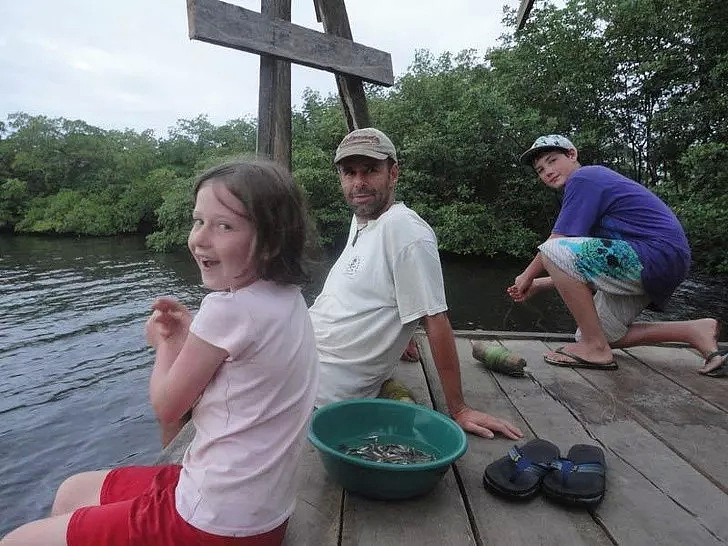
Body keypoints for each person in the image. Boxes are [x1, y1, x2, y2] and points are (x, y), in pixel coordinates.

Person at [1, 160, 319, 546]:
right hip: (261, 517)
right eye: (198, 220)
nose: (200, 239)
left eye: (224, 226)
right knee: (72, 492)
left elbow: (168, 407)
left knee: (18, 541)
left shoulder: (228, 310)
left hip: (211, 523)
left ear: (270, 241)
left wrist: (166, 345)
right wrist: (191, 334)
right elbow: (241, 363)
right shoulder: (287, 299)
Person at [308, 127, 523, 440]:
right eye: (349, 172)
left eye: (370, 170)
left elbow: (436, 319)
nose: (358, 183)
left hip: (315, 385)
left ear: (393, 173)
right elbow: (374, 289)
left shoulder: (406, 231)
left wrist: (459, 408)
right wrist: (402, 332)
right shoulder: (363, 219)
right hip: (299, 352)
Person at [507, 134, 727, 377]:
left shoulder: (585, 177)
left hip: (654, 253)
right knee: (600, 332)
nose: (547, 171)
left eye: (552, 160)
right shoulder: (586, 193)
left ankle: (596, 349)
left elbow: (557, 245)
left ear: (572, 155)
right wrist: (540, 284)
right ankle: (693, 331)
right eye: (540, 169)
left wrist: (526, 276)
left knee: (552, 249)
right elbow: (586, 267)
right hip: (657, 261)